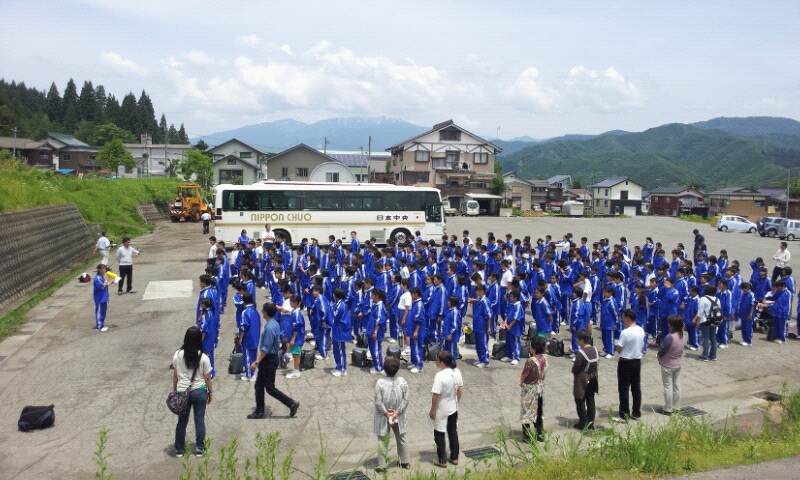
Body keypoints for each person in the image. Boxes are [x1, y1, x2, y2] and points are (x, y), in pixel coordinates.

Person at [247, 303, 300, 419]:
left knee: (270, 388)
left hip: (269, 359)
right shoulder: (274, 323)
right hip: (269, 358)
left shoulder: (270, 327)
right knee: (259, 386)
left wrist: (256, 362)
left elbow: (265, 348)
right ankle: (259, 411)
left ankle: (291, 403)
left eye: (263, 311)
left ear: (266, 313)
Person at [172, 326, 213, 457]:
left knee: (182, 421)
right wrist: (210, 392)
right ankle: (200, 447)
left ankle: (179, 449)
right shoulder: (204, 357)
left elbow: (175, 376)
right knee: (199, 420)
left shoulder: (178, 355)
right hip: (199, 391)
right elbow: (207, 378)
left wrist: (175, 391)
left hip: (182, 391)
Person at [373, 357, 411, 472]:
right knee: (402, 437)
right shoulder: (403, 381)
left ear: (385, 369)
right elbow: (406, 399)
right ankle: (405, 462)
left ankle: (382, 465)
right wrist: (397, 412)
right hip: (398, 415)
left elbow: (378, 401)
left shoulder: (380, 382)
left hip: (383, 416)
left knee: (382, 439)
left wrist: (386, 413)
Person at [429, 350, 462, 468]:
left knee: (439, 432)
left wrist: (432, 409)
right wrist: (457, 401)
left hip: (442, 406)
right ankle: (454, 456)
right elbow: (460, 389)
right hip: (453, 405)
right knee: (452, 431)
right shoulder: (456, 372)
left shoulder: (440, 376)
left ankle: (442, 460)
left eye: (437, 360)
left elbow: (435, 395)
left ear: (442, 362)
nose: (436, 362)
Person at [614, 308, 645, 421]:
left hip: (625, 362)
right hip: (637, 361)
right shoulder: (641, 330)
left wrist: (618, 347)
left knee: (624, 389)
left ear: (627, 318)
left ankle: (624, 414)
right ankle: (636, 412)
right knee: (636, 388)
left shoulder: (625, 332)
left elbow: (619, 348)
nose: (622, 319)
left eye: (623, 317)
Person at [520, 336, 548, 442]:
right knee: (539, 411)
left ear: (534, 349)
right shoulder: (544, 358)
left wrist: (521, 382)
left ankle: (527, 436)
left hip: (530, 389)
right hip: (540, 387)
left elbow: (525, 374)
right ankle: (540, 434)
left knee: (527, 412)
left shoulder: (531, 361)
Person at [657, 315, 685, 415]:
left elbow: (662, 350)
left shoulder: (670, 337)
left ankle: (668, 408)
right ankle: (676, 407)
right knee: (676, 385)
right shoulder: (682, 336)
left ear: (672, 325)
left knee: (668, 386)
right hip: (678, 363)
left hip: (668, 364)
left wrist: (658, 356)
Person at [572, 330, 598, 431]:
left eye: (578, 339)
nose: (577, 341)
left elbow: (577, 367)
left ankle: (583, 422)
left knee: (580, 400)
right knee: (590, 400)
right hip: (593, 378)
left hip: (583, 379)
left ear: (581, 340)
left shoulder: (581, 353)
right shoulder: (595, 350)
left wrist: (574, 371)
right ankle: (590, 423)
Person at [693, 285, 718, 362]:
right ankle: (713, 355)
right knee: (713, 338)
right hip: (714, 320)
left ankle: (705, 355)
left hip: (705, 320)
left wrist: (698, 320)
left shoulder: (703, 299)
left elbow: (700, 311)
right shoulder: (717, 299)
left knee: (705, 338)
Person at [93, 263, 111, 332]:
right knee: (99, 312)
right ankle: (99, 326)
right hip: (99, 298)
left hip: (103, 297)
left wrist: (111, 282)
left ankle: (102, 324)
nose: (105, 270)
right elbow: (102, 287)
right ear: (100, 269)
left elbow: (105, 285)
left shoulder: (101, 276)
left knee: (103, 312)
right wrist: (106, 280)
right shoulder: (97, 278)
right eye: (104, 268)